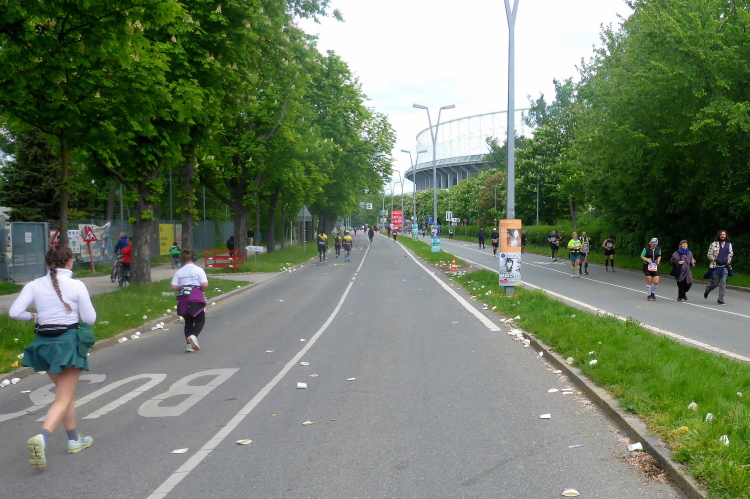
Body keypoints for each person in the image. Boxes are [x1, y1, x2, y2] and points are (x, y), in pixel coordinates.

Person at [9, 245, 97, 471]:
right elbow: (90, 319)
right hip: (68, 343)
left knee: (64, 395)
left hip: (44, 344)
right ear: (70, 262)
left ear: (48, 263)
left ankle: (74, 439)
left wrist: (37, 316)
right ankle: (43, 436)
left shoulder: (34, 285)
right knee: (64, 397)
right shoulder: (77, 285)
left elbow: (14, 312)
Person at [171, 250, 208, 352]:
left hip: (183, 297)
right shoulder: (198, 270)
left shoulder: (179, 271)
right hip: (196, 297)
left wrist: (181, 287)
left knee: (188, 322)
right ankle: (193, 336)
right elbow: (204, 284)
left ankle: (189, 346)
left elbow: (173, 286)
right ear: (194, 258)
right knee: (200, 320)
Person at [704, 230, 733, 305]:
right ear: (719, 236)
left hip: (725, 267)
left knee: (723, 283)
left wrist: (728, 261)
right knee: (715, 283)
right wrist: (715, 259)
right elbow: (709, 255)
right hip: (716, 266)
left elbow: (730, 254)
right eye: (721, 234)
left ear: (726, 236)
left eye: (724, 234)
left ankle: (720, 299)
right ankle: (707, 289)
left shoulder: (729, 245)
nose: (722, 236)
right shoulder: (713, 244)